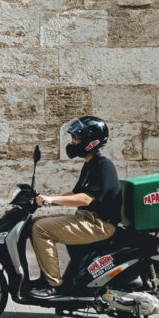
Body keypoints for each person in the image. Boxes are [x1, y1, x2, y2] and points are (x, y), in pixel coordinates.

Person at [29, 116, 122, 299]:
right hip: (87, 219)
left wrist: (50, 201)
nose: (73, 142)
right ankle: (44, 277)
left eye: (76, 138)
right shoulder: (90, 165)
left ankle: (52, 285)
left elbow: (85, 199)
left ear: (91, 141)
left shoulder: (103, 165)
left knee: (40, 229)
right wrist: (46, 199)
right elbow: (74, 193)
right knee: (35, 222)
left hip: (99, 224)